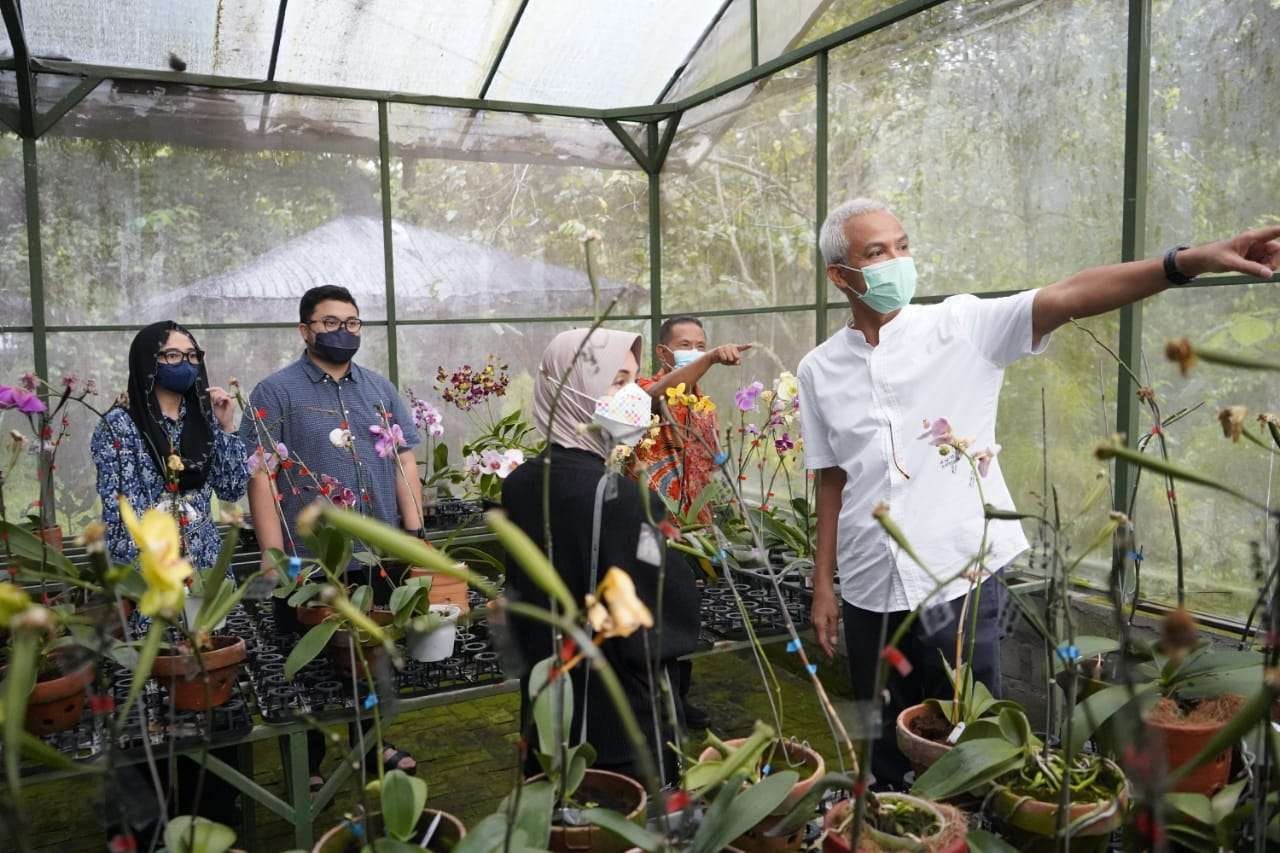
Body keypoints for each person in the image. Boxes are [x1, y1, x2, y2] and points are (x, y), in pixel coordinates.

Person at [799, 198, 1280, 788]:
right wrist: (824, 584)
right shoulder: (818, 370)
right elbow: (830, 478)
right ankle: (893, 816)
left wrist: (1188, 262)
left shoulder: (960, 326)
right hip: (869, 578)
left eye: (903, 246)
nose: (898, 261)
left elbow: (1070, 294)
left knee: (972, 732)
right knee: (883, 728)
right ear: (839, 275)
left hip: (961, 576)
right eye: (877, 253)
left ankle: (971, 823)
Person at [239, 285, 423, 792]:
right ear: (305, 330)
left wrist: (415, 533)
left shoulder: (380, 391)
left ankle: (372, 747)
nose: (344, 332)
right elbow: (261, 473)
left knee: (368, 658)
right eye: (330, 323)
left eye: (353, 323)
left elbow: (405, 458)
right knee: (304, 665)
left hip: (376, 554)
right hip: (309, 558)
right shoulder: (275, 392)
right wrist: (273, 555)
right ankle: (310, 759)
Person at [502, 328, 703, 784]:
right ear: (573, 393)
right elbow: (661, 605)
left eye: (635, 381)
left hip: (549, 702)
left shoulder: (520, 484)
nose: (635, 396)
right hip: (616, 718)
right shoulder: (623, 498)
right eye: (617, 382)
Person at [90, 320, 248, 833]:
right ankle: (153, 829)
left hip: (204, 584)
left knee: (208, 698)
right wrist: (155, 582)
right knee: (153, 711)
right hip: (154, 593)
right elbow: (121, 519)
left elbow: (228, 485)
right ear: (147, 363)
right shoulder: (120, 427)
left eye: (192, 354)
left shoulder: (203, 417)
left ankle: (213, 817)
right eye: (171, 355)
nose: (185, 363)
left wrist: (227, 426)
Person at [633, 316, 748, 730]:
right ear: (664, 352)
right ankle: (658, 704)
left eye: (702, 344)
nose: (695, 350)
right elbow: (659, 394)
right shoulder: (644, 390)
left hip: (694, 525)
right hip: (651, 523)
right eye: (686, 344)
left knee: (685, 609)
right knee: (656, 611)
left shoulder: (703, 405)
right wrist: (713, 359)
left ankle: (679, 696)